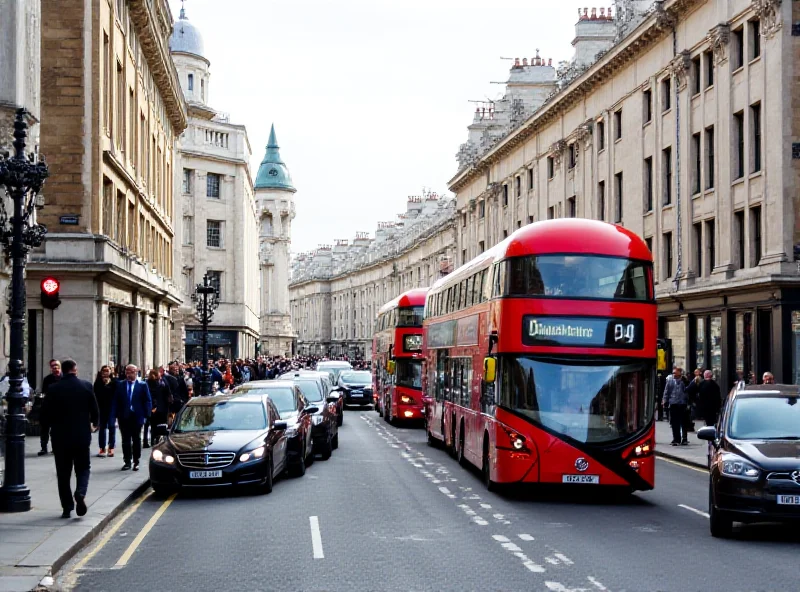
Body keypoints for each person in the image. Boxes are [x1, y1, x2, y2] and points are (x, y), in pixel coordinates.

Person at [40, 359, 98, 518]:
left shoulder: (53, 388)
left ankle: (67, 507)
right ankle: (80, 493)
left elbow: (44, 415)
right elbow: (95, 411)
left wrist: (49, 428)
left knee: (63, 473)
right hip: (81, 437)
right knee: (83, 468)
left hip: (60, 438)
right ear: (75, 370)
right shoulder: (86, 386)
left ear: (63, 371)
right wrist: (94, 424)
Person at [110, 364, 151, 472]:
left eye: (131, 372)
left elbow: (147, 400)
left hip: (137, 416)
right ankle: (127, 461)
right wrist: (113, 416)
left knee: (136, 439)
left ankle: (136, 461)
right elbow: (115, 401)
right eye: (127, 372)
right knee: (125, 440)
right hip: (124, 416)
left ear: (136, 372)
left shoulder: (142, 385)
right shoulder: (120, 385)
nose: (129, 374)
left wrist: (147, 414)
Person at [38, 359, 62, 456]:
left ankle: (55, 447)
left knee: (56, 430)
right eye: (53, 366)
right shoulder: (47, 379)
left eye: (56, 365)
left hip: (59, 407)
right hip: (48, 407)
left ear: (60, 367)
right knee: (45, 429)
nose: (55, 367)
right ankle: (44, 447)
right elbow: (44, 392)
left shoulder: (63, 378)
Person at [93, 365, 117, 458]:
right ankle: (102, 448)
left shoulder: (114, 382)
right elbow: (96, 394)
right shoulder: (98, 382)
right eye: (104, 371)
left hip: (111, 408)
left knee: (111, 427)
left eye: (107, 371)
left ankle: (111, 447)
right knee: (102, 428)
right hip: (101, 408)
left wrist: (108, 385)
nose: (106, 373)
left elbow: (114, 394)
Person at [662, 367, 690, 446]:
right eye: (673, 373)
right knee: (674, 423)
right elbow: (666, 391)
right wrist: (665, 401)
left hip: (683, 404)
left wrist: (688, 402)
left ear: (680, 373)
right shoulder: (670, 381)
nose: (674, 374)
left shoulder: (684, 381)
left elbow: (688, 391)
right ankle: (676, 439)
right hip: (673, 403)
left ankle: (684, 439)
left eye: (675, 373)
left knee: (683, 422)